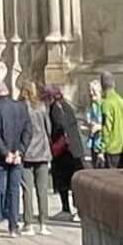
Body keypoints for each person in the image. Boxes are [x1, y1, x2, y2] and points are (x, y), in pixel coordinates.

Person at [0, 72, 28, 235]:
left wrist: (5, 153)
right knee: (14, 189)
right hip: (17, 156)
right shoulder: (21, 107)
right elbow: (28, 131)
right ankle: (13, 226)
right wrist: (20, 151)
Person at [44, 84, 82, 219]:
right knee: (75, 182)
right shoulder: (67, 106)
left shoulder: (55, 108)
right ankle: (78, 210)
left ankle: (66, 209)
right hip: (75, 149)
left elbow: (59, 127)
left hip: (63, 151)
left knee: (63, 181)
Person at [19, 83, 51, 230]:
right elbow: (48, 129)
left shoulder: (22, 108)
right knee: (42, 189)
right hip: (42, 151)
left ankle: (28, 223)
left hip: (27, 152)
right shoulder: (42, 107)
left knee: (27, 189)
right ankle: (43, 223)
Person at [98, 72, 123, 168]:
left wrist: (101, 150)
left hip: (111, 150)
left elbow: (106, 128)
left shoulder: (106, 104)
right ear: (114, 84)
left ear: (102, 86)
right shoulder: (122, 101)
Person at [79, 78, 105, 167]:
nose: (91, 93)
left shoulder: (104, 105)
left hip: (103, 145)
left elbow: (109, 125)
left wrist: (99, 127)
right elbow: (86, 121)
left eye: (93, 91)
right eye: (90, 91)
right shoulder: (90, 106)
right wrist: (88, 126)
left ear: (100, 92)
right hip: (94, 144)